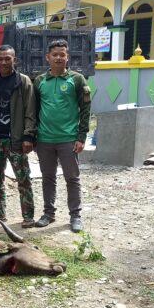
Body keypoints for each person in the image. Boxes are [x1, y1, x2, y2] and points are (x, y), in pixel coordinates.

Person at [33, 40, 91, 231]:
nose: (58, 58)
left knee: (72, 178)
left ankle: (75, 216)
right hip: (44, 139)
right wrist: (33, 136)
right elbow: (33, 110)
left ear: (67, 57)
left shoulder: (77, 80)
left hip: (68, 139)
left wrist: (81, 137)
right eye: (55, 54)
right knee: (48, 177)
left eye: (62, 54)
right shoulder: (40, 81)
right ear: (47, 57)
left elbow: (85, 109)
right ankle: (48, 214)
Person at [0, 45, 37, 228]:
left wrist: (28, 136)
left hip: (16, 140)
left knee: (23, 179)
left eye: (7, 58)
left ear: (14, 60)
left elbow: (30, 111)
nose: (4, 62)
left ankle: (28, 216)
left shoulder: (23, 82)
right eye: (0, 58)